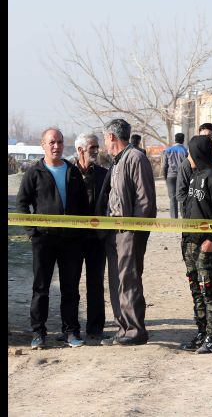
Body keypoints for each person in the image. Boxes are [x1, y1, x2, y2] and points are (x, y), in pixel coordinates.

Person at [16, 128, 89, 349]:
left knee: (71, 289)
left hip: (71, 242)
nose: (56, 146)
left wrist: (81, 233)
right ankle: (38, 333)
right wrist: (32, 231)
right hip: (44, 241)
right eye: (51, 143)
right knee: (41, 288)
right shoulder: (34, 172)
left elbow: (84, 206)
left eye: (59, 142)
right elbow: (21, 204)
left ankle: (71, 332)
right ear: (43, 145)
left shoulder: (73, 171)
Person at [102, 118, 157, 346]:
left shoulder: (136, 157)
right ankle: (123, 327)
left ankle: (135, 330)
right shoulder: (117, 161)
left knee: (129, 279)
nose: (105, 142)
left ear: (112, 137)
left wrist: (134, 230)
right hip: (114, 231)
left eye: (105, 138)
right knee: (118, 280)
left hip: (129, 231)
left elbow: (145, 201)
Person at [179, 135, 212, 354]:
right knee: (195, 290)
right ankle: (201, 331)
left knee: (208, 290)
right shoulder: (195, 175)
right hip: (190, 242)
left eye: (190, 152)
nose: (188, 156)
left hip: (206, 244)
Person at [72, 133, 110, 340]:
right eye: (92, 147)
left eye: (97, 146)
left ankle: (95, 328)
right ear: (80, 150)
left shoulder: (104, 174)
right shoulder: (68, 173)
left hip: (97, 239)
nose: (96, 150)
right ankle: (71, 327)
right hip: (73, 240)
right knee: (71, 283)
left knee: (95, 284)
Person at [176, 123, 212, 215]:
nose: (205, 140)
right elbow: (181, 194)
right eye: (203, 136)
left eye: (209, 137)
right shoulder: (189, 163)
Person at [162, 133, 188, 219]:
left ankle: (174, 218)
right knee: (182, 196)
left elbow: (165, 166)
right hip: (182, 176)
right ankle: (183, 216)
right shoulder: (185, 150)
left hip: (170, 176)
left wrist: (165, 177)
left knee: (172, 198)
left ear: (175, 139)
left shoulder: (168, 150)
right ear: (183, 140)